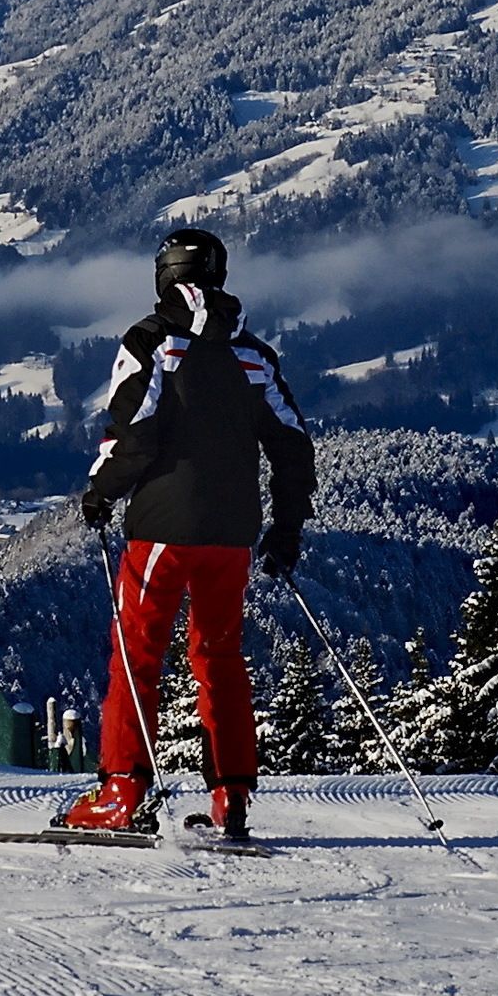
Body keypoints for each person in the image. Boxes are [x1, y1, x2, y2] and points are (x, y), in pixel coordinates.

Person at [60, 227, 315, 839]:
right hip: (232, 536)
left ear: (162, 275)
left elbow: (133, 432)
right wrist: (285, 529)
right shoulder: (254, 353)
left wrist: (100, 492)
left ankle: (122, 792)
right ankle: (231, 798)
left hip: (160, 532)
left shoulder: (152, 342)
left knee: (136, 655)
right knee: (220, 656)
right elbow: (292, 446)